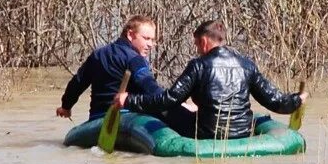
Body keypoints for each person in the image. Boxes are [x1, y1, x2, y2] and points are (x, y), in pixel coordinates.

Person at [117, 20, 303, 139]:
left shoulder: (198, 66)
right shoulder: (247, 65)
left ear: (204, 41)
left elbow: (168, 100)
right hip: (241, 133)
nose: (197, 49)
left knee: (167, 111)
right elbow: (274, 101)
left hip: (207, 133)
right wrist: (297, 100)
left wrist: (129, 100)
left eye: (197, 44)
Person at [58, 14, 195, 136]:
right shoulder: (134, 59)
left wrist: (66, 107)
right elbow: (151, 89)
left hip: (97, 116)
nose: (151, 44)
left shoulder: (98, 54)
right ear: (130, 34)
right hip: (126, 116)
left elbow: (77, 83)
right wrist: (179, 105)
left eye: (152, 40)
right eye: (146, 38)